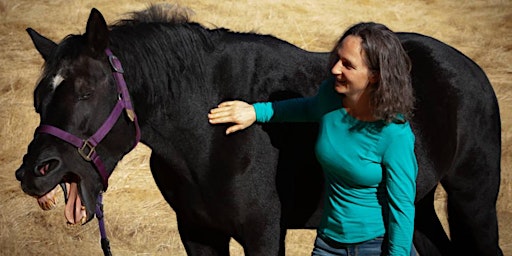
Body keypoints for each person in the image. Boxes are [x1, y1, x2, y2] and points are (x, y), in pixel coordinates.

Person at [208, 22, 418, 256]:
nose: (336, 69)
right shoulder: (331, 96)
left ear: (375, 77)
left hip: (375, 245)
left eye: (348, 65)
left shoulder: (394, 133)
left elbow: (402, 208)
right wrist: (255, 112)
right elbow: (306, 109)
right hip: (328, 243)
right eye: (338, 58)